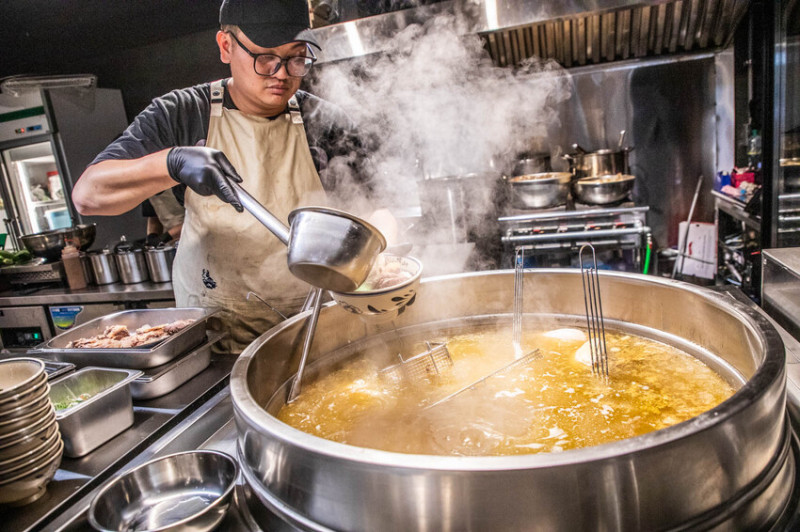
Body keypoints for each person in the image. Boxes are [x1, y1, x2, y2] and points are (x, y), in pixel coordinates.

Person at [72, 0, 396, 354]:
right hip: (219, 341)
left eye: (296, 57)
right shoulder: (181, 113)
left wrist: (380, 260)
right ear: (226, 46)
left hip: (316, 329)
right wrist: (172, 162)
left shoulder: (324, 120)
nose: (282, 73)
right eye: (265, 57)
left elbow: (378, 208)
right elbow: (89, 195)